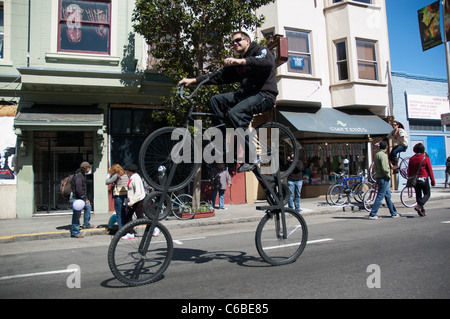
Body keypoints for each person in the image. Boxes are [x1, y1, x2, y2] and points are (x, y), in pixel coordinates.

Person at [178, 31, 278, 173]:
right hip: (247, 96)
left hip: (265, 95)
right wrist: (193, 80)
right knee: (216, 100)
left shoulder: (259, 51)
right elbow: (219, 77)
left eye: (238, 40)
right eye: (233, 42)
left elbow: (267, 61)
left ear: (247, 41)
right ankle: (221, 144)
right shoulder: (239, 64)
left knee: (235, 113)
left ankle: (252, 157)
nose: (235, 43)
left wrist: (240, 61)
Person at [369, 141, 400, 219]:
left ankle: (393, 212)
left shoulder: (377, 154)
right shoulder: (383, 155)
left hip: (379, 176)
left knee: (387, 196)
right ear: (386, 147)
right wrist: (388, 175)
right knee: (380, 196)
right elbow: (385, 167)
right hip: (384, 177)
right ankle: (373, 213)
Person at [408, 143, 435, 216]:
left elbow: (409, 170)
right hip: (423, 178)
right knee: (427, 194)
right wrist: (433, 180)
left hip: (415, 179)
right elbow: (430, 170)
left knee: (418, 195)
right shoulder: (425, 158)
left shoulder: (411, 159)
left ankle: (421, 210)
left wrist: (409, 178)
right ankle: (419, 206)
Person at [122, 163, 146, 239]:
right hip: (132, 201)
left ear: (129, 171)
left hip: (138, 201)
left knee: (140, 218)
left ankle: (154, 228)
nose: (125, 172)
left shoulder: (136, 178)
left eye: (126, 170)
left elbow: (138, 192)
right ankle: (130, 233)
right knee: (128, 215)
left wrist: (132, 202)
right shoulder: (132, 177)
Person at [70, 161, 93, 238]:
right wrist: (85, 198)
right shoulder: (79, 176)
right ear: (85, 167)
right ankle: (75, 232)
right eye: (89, 167)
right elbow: (79, 189)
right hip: (77, 199)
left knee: (88, 207)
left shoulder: (81, 175)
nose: (89, 169)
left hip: (79, 198)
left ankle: (86, 224)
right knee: (77, 215)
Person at [105, 164, 129, 231]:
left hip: (118, 196)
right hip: (125, 196)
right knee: (124, 213)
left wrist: (109, 174)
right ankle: (125, 229)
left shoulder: (117, 175)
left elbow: (107, 182)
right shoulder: (126, 175)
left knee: (119, 214)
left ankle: (121, 230)